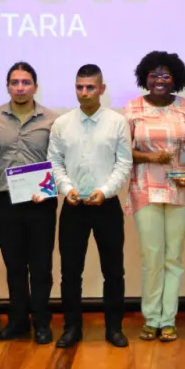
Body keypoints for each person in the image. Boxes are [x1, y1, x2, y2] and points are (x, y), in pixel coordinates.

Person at [47, 64, 133, 348]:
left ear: (102, 89)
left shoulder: (117, 122)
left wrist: (105, 191)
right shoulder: (62, 124)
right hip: (73, 206)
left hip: (106, 205)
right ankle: (72, 328)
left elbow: (124, 163)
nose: (84, 93)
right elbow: (55, 162)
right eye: (79, 87)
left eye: (90, 87)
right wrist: (66, 189)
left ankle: (114, 328)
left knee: (113, 271)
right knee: (70, 272)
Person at [0, 62, 59, 345]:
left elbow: (59, 161)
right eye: (14, 82)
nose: (20, 87)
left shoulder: (52, 120)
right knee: (14, 265)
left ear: (35, 87)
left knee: (40, 266)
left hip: (41, 202)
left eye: (26, 82)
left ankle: (41, 322)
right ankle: (17, 321)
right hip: (5, 202)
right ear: (7, 86)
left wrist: (50, 187)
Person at [123, 51, 185, 343]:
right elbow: (122, 150)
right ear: (145, 78)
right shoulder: (133, 108)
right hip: (145, 189)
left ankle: (168, 320)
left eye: (166, 75)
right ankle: (152, 318)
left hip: (180, 187)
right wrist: (150, 157)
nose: (160, 80)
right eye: (154, 75)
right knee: (152, 256)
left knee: (173, 257)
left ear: (176, 79)